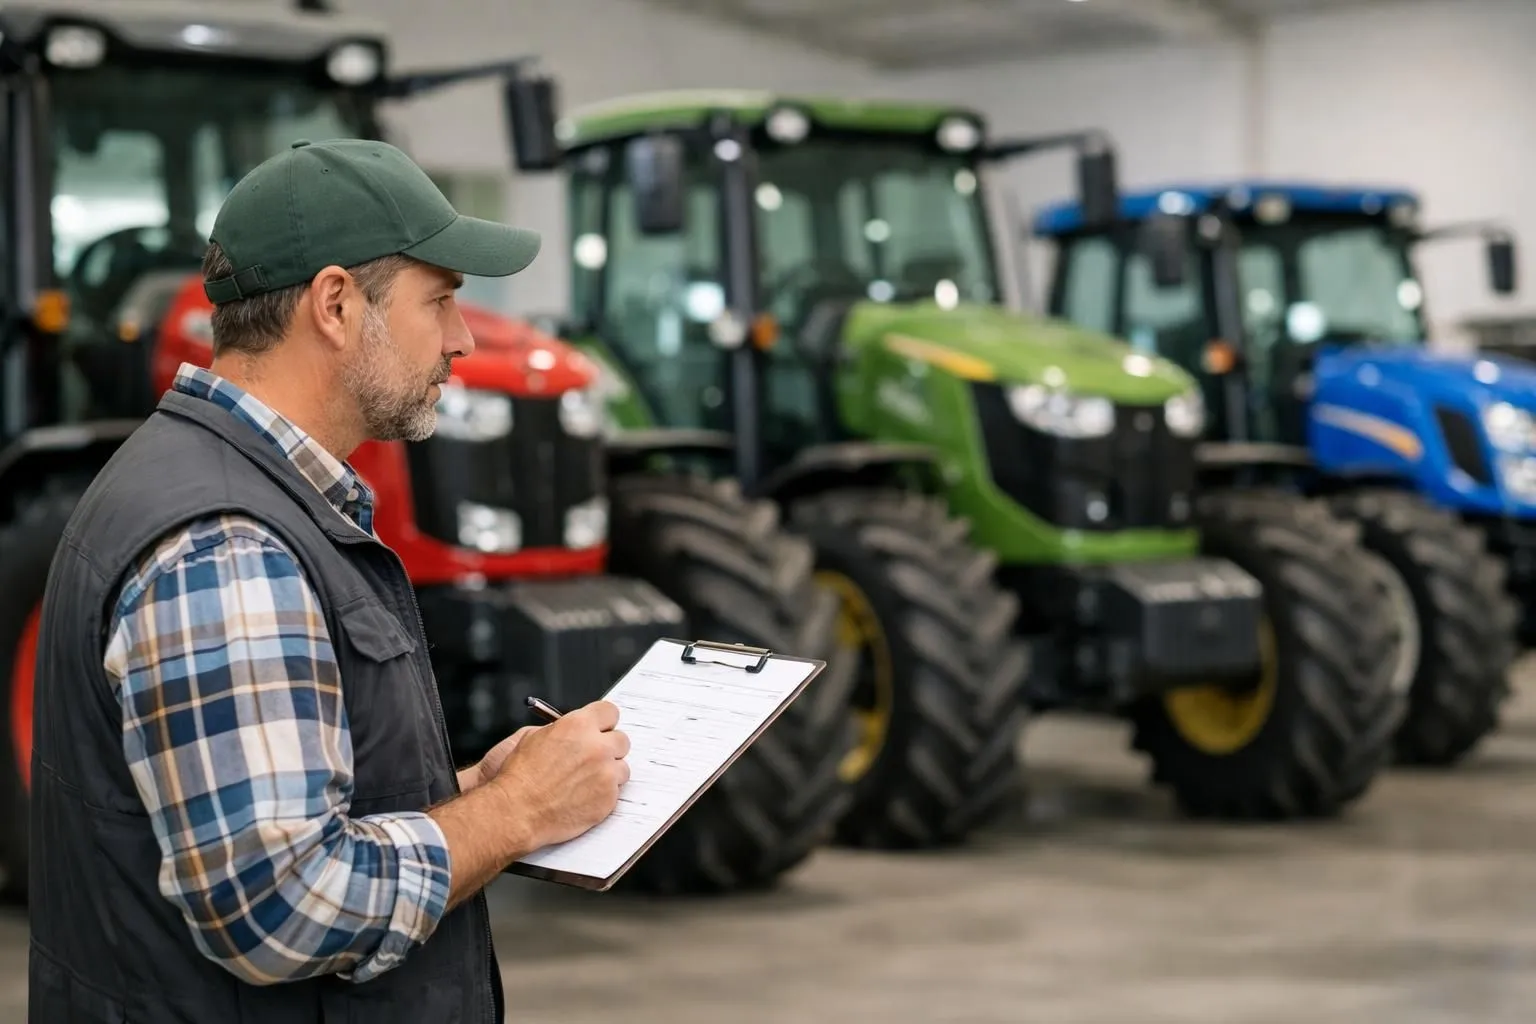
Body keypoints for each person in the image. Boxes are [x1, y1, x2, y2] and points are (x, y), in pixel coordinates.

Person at [27, 138, 630, 1023]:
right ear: (338, 304)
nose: (462, 339)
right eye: (443, 300)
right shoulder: (227, 545)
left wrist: (474, 791)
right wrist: (519, 813)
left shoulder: (234, 496)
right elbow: (282, 908)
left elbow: (276, 814)